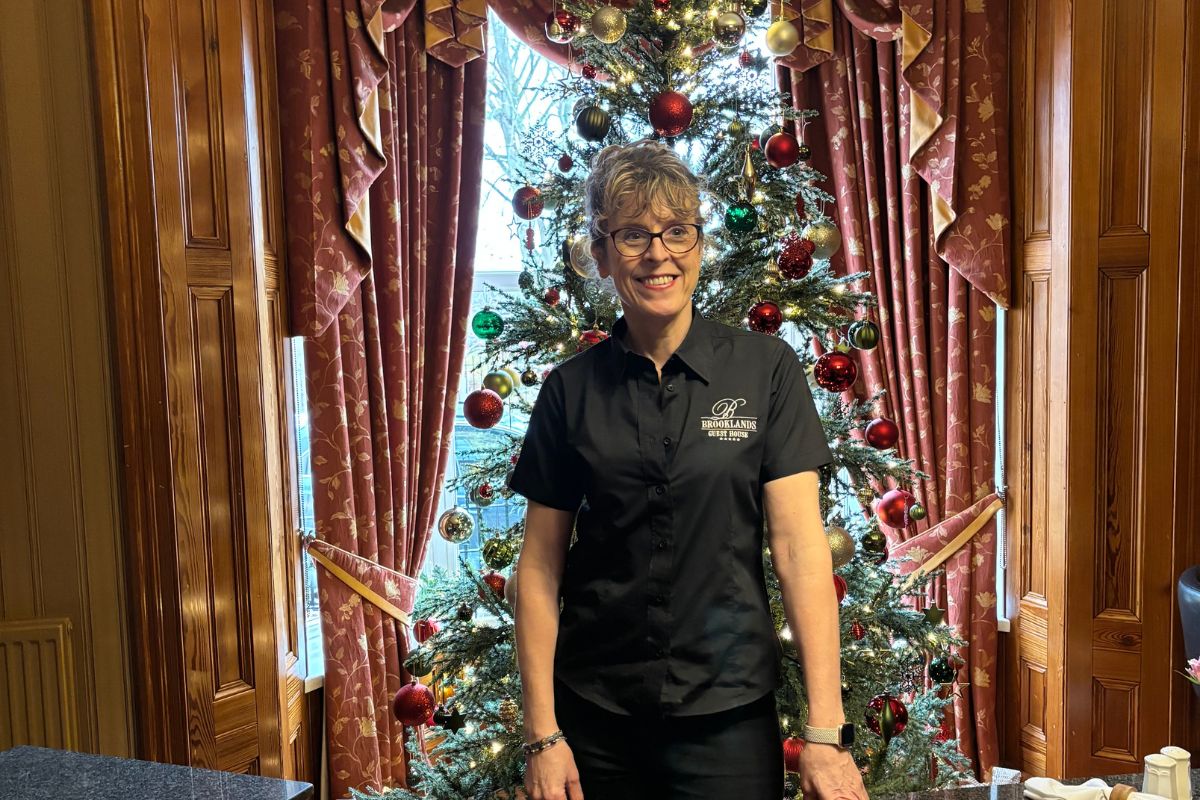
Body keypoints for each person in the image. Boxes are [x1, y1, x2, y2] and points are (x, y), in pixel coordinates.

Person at [506, 141, 868, 800]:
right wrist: (542, 734)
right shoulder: (569, 390)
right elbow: (538, 567)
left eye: (677, 231)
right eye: (634, 234)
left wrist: (826, 730)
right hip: (594, 726)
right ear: (603, 250)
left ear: (700, 244)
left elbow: (798, 549)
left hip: (728, 723)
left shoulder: (766, 372)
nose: (658, 253)